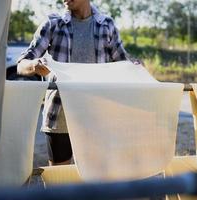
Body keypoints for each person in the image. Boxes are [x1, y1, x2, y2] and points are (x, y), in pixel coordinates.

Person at [17, 0, 135, 165]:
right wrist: (34, 66)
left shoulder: (106, 25)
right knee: (60, 181)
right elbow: (21, 64)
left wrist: (137, 67)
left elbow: (125, 63)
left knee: (94, 177)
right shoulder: (53, 23)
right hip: (59, 117)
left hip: (97, 117)